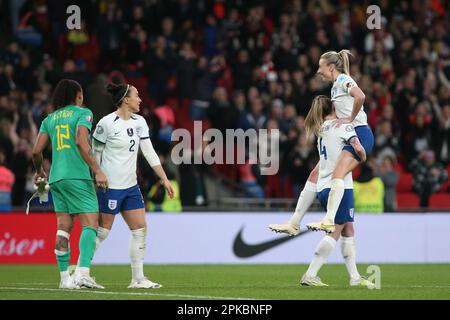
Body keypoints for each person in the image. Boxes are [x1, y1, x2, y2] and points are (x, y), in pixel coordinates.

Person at [269, 50, 373, 234]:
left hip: (360, 134)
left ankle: (329, 219)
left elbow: (361, 96)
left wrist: (350, 118)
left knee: (337, 173)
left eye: (320, 66)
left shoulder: (342, 81)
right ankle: (294, 223)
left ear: (331, 67)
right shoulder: (335, 85)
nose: (318, 71)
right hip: (347, 136)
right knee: (314, 175)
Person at [276, 95, 374, 288]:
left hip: (323, 186)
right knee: (336, 230)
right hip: (340, 187)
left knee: (348, 227)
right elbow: (358, 147)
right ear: (334, 107)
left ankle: (354, 277)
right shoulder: (342, 127)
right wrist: (363, 156)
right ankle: (311, 273)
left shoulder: (322, 129)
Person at [91, 83, 175, 289]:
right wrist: (97, 176)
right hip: (110, 186)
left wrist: (163, 178)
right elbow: (94, 154)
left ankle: (138, 279)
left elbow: (149, 152)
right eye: (136, 96)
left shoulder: (140, 122)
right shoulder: (106, 123)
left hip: (131, 186)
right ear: (125, 100)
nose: (140, 99)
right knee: (102, 232)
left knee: (139, 229)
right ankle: (80, 270)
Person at [31, 79, 107, 289]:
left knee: (63, 229)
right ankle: (83, 273)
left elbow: (36, 151)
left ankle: (65, 279)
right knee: (91, 223)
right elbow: (82, 142)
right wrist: (98, 170)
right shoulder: (83, 113)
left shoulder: (50, 119)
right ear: (79, 95)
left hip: (56, 178)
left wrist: (39, 173)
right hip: (77, 176)